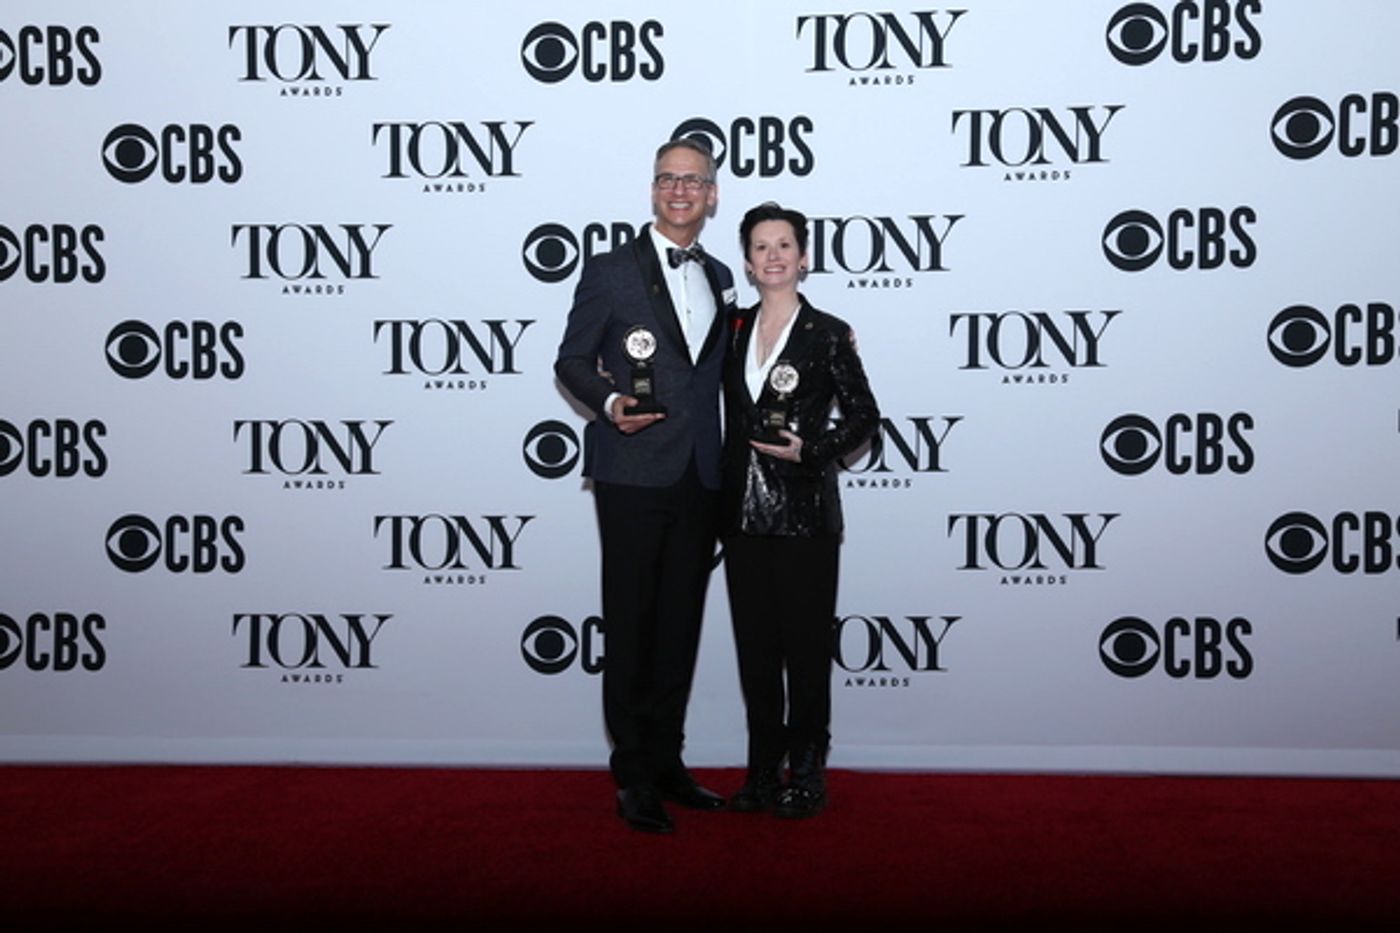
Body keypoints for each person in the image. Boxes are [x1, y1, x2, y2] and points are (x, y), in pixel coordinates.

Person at [554, 138, 739, 834]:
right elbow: (571, 360)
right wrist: (608, 406)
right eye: (668, 178)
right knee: (631, 620)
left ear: (713, 195)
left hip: (698, 471)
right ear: (653, 189)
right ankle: (632, 772)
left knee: (679, 626)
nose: (680, 189)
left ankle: (667, 760)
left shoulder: (722, 274)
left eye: (694, 180)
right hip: (630, 470)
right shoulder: (610, 270)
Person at [721, 201, 880, 819]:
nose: (774, 256)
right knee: (755, 653)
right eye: (761, 246)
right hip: (739, 518)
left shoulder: (828, 332)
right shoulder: (730, 329)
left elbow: (866, 417)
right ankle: (762, 772)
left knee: (807, 653)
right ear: (749, 261)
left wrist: (812, 449)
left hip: (805, 517)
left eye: (784, 244)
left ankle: (808, 773)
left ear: (804, 257)